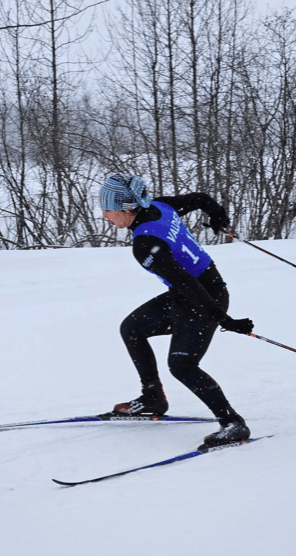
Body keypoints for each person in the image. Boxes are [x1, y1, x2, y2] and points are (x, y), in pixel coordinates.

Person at [99, 173, 254, 447]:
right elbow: (201, 199)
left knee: (182, 365)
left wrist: (223, 318)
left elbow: (187, 284)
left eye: (108, 210)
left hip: (203, 296)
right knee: (131, 328)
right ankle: (152, 398)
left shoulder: (145, 244)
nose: (105, 217)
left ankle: (232, 423)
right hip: (189, 294)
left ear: (125, 210)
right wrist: (218, 216)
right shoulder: (159, 206)